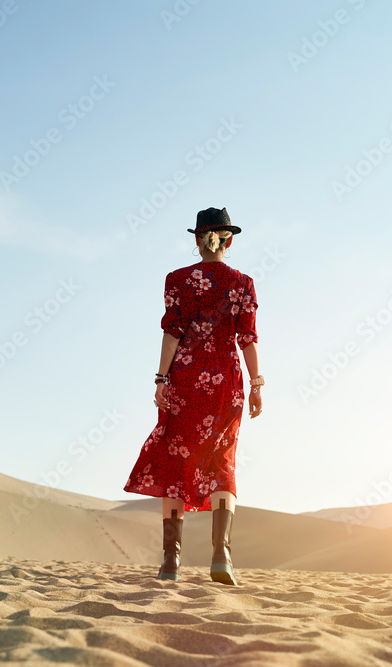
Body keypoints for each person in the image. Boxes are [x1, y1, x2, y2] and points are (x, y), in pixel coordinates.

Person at [123, 206, 263, 586]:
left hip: (186, 378)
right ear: (228, 240)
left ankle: (171, 562)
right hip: (227, 383)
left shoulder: (176, 280)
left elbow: (172, 332)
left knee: (176, 463)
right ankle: (222, 557)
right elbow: (247, 338)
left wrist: (161, 378)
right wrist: (256, 384)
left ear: (198, 240)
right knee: (222, 463)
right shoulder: (244, 283)